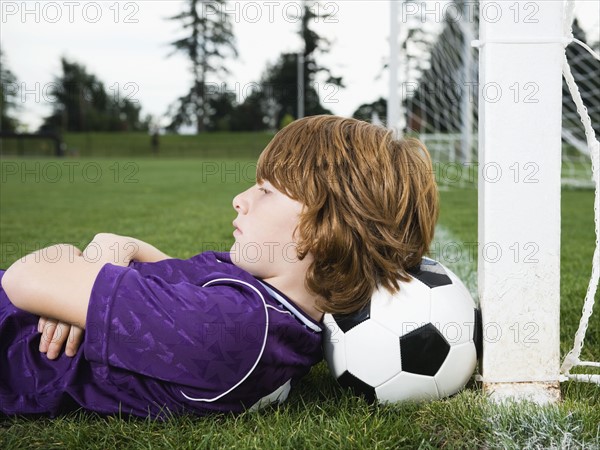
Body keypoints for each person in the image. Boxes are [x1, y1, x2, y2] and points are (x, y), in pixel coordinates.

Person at [0, 115, 439, 418]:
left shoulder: (232, 329)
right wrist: (122, 246)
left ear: (318, 230)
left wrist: (86, 265)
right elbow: (180, 287)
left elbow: (28, 276)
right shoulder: (272, 311)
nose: (241, 198)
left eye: (266, 191)